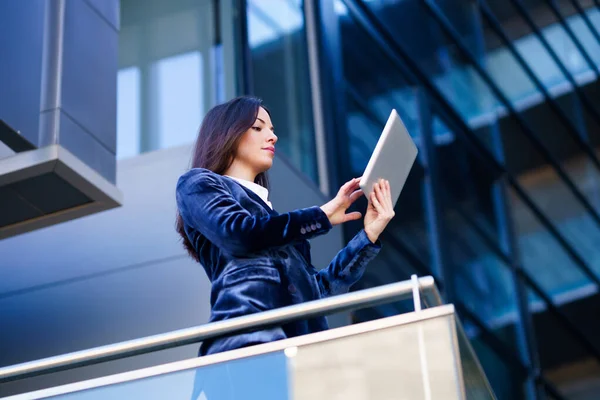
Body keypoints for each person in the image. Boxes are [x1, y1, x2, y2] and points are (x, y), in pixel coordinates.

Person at [175, 95, 395, 358]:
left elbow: (317, 293)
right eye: (258, 127)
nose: (273, 137)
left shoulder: (278, 224)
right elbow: (239, 233)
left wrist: (368, 235)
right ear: (227, 135)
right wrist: (321, 216)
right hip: (247, 347)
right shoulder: (197, 184)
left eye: (272, 129)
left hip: (303, 356)